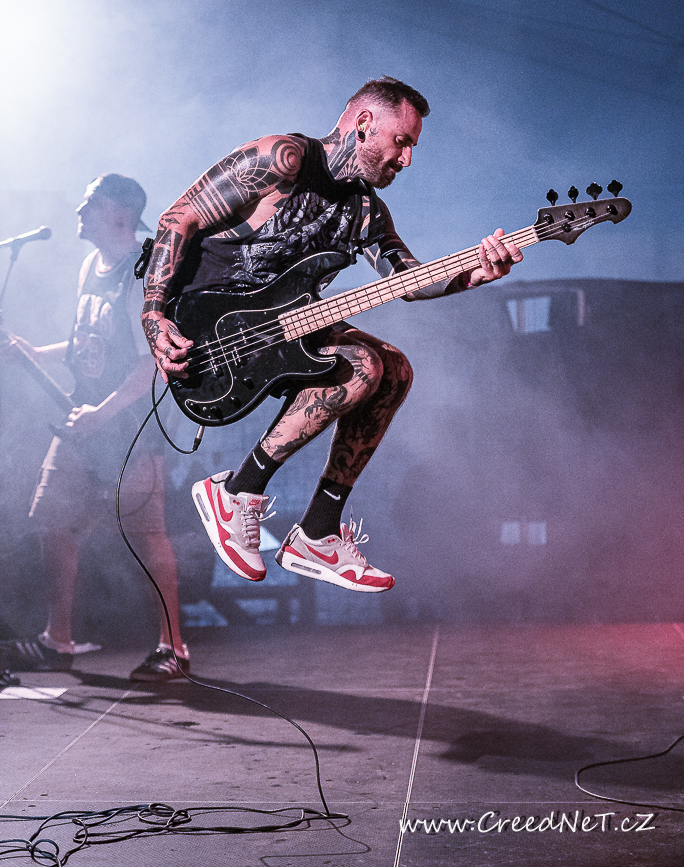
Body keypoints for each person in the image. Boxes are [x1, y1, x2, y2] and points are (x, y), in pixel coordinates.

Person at [141, 77, 523, 592]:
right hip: (210, 328)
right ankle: (236, 492)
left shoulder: (366, 211)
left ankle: (318, 531)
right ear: (364, 124)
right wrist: (154, 314)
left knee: (395, 371)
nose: (407, 160)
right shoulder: (282, 159)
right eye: (402, 142)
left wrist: (474, 273)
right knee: (363, 366)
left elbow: (408, 281)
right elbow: (178, 217)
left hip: (285, 325)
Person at [0, 174, 190, 681]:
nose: (79, 210)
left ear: (120, 215)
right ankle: (57, 639)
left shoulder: (142, 273)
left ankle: (173, 648)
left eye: (91, 203)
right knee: (53, 522)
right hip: (81, 421)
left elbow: (152, 362)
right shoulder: (89, 266)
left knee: (148, 535)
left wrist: (101, 413)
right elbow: (90, 340)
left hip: (128, 427)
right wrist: (38, 354)